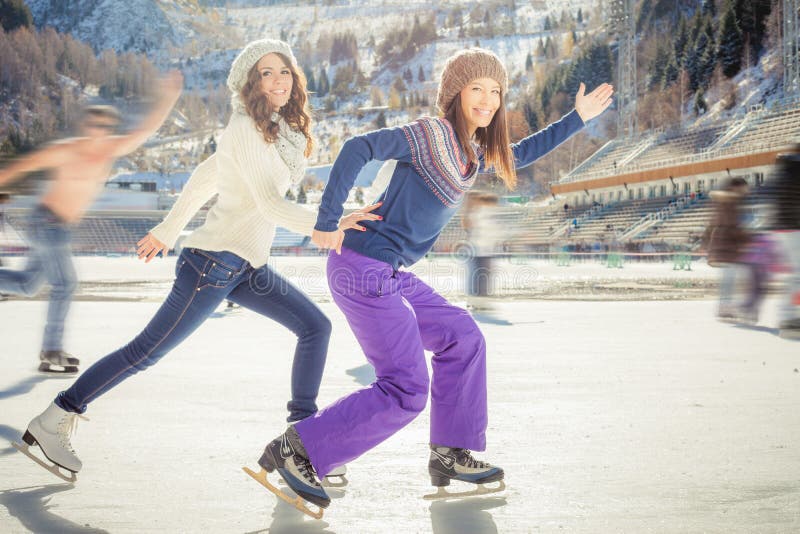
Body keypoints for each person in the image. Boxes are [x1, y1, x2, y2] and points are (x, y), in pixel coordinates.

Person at [251, 48, 613, 511]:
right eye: (476, 88)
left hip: (388, 272)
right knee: (405, 388)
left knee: (463, 336)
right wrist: (327, 220)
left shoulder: (473, 152)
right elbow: (355, 147)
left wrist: (576, 118)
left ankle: (450, 453)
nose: (487, 99)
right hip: (362, 266)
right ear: (456, 93)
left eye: (495, 90)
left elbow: (519, 153)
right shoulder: (430, 135)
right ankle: (298, 447)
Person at [16, 39, 379, 483]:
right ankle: (54, 418)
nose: (277, 80)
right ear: (251, 82)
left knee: (314, 327)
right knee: (144, 352)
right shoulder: (245, 127)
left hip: (245, 265)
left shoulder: (282, 130)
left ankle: (301, 441)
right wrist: (329, 224)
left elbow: (208, 175)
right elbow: (267, 203)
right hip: (211, 265)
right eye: (265, 73)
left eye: (283, 70)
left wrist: (168, 229)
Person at [0, 74, 183, 373]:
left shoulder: (112, 148)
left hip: (59, 227)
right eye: (94, 126)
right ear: (85, 127)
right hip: (45, 221)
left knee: (28, 284)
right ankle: (52, 350)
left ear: (110, 130)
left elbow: (146, 130)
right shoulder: (67, 149)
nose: (99, 131)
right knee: (65, 283)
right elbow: (22, 166)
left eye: (105, 127)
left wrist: (170, 97)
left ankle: (50, 347)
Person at [702, 177, 749, 321]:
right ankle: (726, 307)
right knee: (732, 277)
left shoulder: (720, 203)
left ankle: (725, 306)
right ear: (736, 187)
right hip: (729, 245)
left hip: (721, 243)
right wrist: (746, 240)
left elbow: (711, 224)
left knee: (728, 278)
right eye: (744, 187)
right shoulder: (731, 203)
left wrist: (705, 242)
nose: (746, 191)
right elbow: (734, 226)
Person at [769, 148, 800, 337]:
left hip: (780, 227)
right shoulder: (797, 170)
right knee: (797, 275)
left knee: (793, 274)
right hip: (794, 227)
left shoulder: (783, 172)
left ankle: (787, 316)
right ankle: (790, 319)